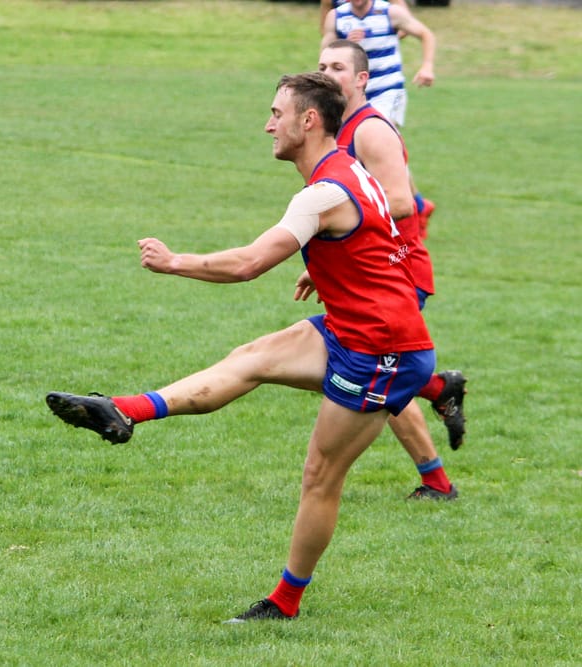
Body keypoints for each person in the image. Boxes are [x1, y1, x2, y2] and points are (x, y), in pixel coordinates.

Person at [47, 72, 441, 620]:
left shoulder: (323, 193)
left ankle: (285, 604)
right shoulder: (347, 170)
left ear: (309, 121)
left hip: (380, 350)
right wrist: (329, 272)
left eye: (276, 113)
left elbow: (250, 263)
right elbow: (380, 236)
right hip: (356, 327)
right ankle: (124, 411)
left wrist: (174, 261)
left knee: (320, 477)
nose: (267, 125)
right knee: (250, 358)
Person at [318, 39, 465, 499]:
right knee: (378, 375)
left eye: (337, 67)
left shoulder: (370, 129)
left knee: (378, 375)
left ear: (362, 78)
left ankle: (437, 470)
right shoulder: (340, 128)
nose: (326, 72)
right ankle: (438, 397)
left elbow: (400, 201)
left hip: (396, 270)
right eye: (321, 64)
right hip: (370, 268)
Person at [321, 0, 438, 236]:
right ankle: (415, 203)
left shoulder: (389, 12)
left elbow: (425, 33)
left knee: (377, 139)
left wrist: (427, 66)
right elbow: (326, 51)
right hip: (355, 93)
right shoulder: (337, 16)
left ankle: (396, 206)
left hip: (388, 91)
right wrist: (345, 47)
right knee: (365, 150)